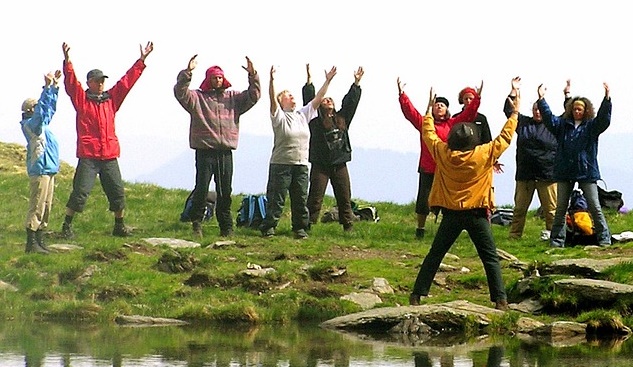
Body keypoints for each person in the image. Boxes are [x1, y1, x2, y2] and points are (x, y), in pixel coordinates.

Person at [409, 86, 520, 311]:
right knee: (490, 258)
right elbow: (505, 138)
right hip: (477, 214)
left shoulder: (442, 152)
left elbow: (428, 133)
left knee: (435, 255)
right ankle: (500, 300)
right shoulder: (484, 153)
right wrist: (514, 115)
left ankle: (417, 295)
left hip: (451, 215)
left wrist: (429, 111)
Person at [60, 42, 154, 239]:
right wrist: (67, 61)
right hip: (89, 156)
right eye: (97, 80)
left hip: (109, 155)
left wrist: (142, 60)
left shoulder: (111, 99)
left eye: (102, 80)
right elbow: (71, 83)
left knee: (117, 192)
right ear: (89, 83)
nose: (101, 83)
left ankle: (119, 226)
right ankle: (66, 226)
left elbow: (127, 82)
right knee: (80, 192)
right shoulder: (82, 100)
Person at [174, 55, 261, 237]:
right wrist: (187, 72)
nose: (218, 80)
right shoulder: (197, 98)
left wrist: (253, 75)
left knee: (225, 191)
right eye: (214, 77)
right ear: (208, 79)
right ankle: (197, 222)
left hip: (225, 151)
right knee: (202, 188)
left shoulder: (233, 98)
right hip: (205, 150)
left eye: (220, 77)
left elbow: (254, 96)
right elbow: (180, 92)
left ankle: (226, 226)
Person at [259, 65, 337, 239]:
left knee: (300, 199)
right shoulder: (278, 116)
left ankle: (299, 228)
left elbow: (318, 99)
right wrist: (271, 81)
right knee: (276, 199)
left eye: (292, 94)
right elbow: (271, 100)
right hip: (281, 164)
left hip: (301, 164)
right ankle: (269, 227)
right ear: (282, 102)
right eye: (287, 96)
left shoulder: (303, 115)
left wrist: (328, 80)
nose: (292, 96)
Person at [397, 78, 481, 239]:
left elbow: (469, 114)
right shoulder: (425, 124)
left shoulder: (453, 124)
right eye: (436, 104)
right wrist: (402, 95)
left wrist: (477, 98)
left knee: (448, 201)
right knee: (423, 201)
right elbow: (410, 112)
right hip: (427, 168)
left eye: (442, 105)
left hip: (446, 169)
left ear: (447, 109)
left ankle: (447, 231)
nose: (439, 106)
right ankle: (420, 229)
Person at [537, 82, 612, 247]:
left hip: (586, 172)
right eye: (575, 109)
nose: (577, 112)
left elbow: (603, 120)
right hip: (565, 171)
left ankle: (604, 239)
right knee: (561, 209)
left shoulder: (591, 127)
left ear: (586, 111)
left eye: (580, 109)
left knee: (594, 206)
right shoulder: (562, 126)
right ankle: (556, 242)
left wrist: (607, 100)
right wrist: (541, 99)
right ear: (570, 109)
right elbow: (549, 119)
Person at [301, 64, 363, 231]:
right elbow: (309, 101)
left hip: (340, 163)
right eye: (325, 99)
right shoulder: (315, 120)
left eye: (330, 100)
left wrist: (356, 84)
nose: (328, 100)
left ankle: (348, 225)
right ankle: (307, 225)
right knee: (315, 196)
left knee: (344, 196)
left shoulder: (342, 119)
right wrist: (309, 82)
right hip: (320, 164)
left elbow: (351, 103)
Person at [503, 77, 558, 240]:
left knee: (551, 210)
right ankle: (514, 236)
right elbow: (509, 111)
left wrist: (546, 97)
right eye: (535, 109)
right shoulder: (524, 123)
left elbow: (568, 115)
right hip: (525, 174)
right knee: (520, 209)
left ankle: (554, 237)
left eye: (540, 109)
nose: (537, 112)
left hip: (547, 175)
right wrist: (514, 91)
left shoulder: (553, 125)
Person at [20, 70, 62, 254]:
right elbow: (43, 110)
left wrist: (54, 87)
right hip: (40, 169)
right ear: (30, 110)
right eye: (36, 107)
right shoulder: (32, 126)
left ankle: (40, 239)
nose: (39, 109)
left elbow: (49, 108)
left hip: (49, 169)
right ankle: (32, 242)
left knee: (46, 206)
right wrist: (46, 88)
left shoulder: (41, 124)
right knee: (37, 205)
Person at [454, 85, 504, 174]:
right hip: (460, 159)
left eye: (471, 98)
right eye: (466, 99)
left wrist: (493, 159)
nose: (469, 101)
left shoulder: (481, 119)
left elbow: (487, 140)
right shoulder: (456, 118)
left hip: (479, 158)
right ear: (462, 100)